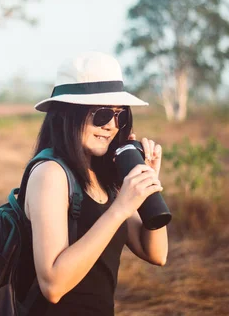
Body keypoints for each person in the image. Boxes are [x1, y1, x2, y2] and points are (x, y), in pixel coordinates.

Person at [22, 51, 168, 316]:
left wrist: (148, 183)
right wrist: (120, 208)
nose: (112, 126)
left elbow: (156, 254)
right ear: (69, 115)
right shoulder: (51, 174)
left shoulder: (104, 176)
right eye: (101, 115)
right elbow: (53, 286)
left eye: (119, 116)